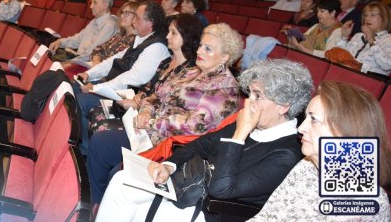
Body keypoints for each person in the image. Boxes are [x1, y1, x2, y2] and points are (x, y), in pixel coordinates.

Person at [97, 58, 312, 222]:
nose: (249, 103)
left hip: (211, 212)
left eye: (258, 96)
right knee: (122, 180)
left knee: (133, 207)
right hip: (191, 189)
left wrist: (240, 134)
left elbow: (223, 190)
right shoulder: (253, 123)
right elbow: (203, 143)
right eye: (251, 94)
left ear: (283, 106)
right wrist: (170, 166)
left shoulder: (287, 152)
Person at [87, 19, 241, 205]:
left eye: (208, 49)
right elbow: (157, 95)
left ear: (225, 57)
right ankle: (95, 201)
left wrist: (152, 122)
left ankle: (98, 202)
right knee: (100, 138)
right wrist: (145, 110)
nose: (199, 51)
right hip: (146, 131)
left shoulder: (225, 89)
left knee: (105, 149)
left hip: (168, 146)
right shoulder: (191, 71)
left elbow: (194, 126)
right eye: (201, 45)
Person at [250, 81, 391, 221]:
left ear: (345, 130)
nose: (301, 128)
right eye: (306, 118)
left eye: (314, 119)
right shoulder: (307, 166)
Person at [75, 1, 171, 153]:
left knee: (79, 102)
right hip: (114, 88)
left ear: (150, 22)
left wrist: (96, 88)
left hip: (125, 98)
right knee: (75, 87)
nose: (134, 21)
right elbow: (115, 59)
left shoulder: (157, 47)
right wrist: (89, 74)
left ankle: (83, 151)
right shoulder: (141, 39)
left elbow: (133, 79)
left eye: (137, 18)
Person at [49, 0, 117, 62]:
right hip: (79, 58)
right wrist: (60, 42)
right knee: (49, 55)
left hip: (85, 64)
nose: (91, 6)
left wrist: (70, 62)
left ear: (105, 5)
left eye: (95, 3)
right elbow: (78, 39)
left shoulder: (109, 26)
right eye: (91, 3)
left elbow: (91, 52)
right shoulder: (95, 20)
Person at [336, 2, 391, 75]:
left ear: (384, 18)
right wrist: (344, 37)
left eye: (373, 15)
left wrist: (372, 41)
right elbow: (338, 58)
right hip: (343, 74)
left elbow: (387, 66)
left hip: (368, 82)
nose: (367, 18)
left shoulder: (388, 40)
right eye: (366, 15)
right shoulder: (358, 36)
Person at [89, 2, 138, 66]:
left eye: (127, 13)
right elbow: (98, 49)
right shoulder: (119, 35)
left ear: (136, 17)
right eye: (122, 12)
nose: (122, 16)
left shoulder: (135, 41)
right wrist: (96, 60)